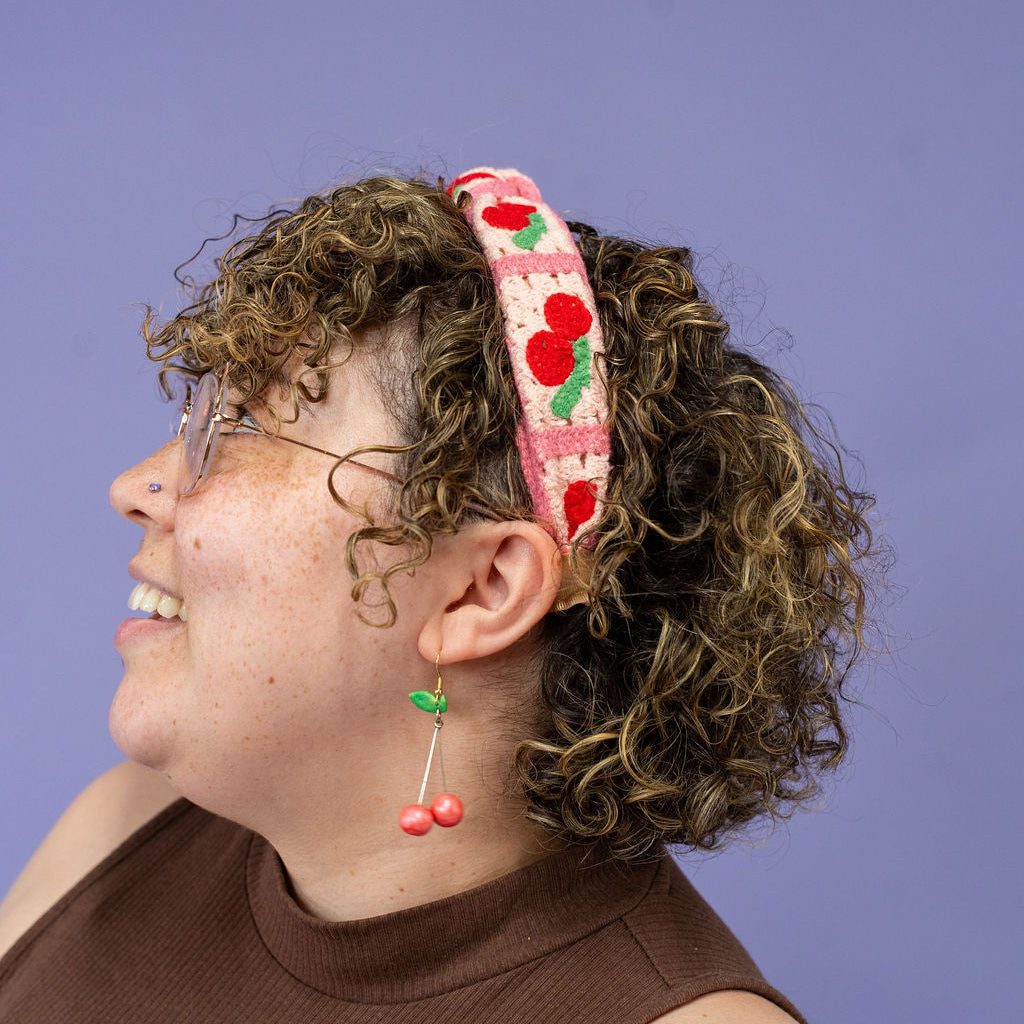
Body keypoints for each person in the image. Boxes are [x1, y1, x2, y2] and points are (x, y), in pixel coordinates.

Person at [0, 167, 879, 1022]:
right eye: (196, 421)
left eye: (245, 429)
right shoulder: (119, 832)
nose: (134, 486)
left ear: (482, 590)